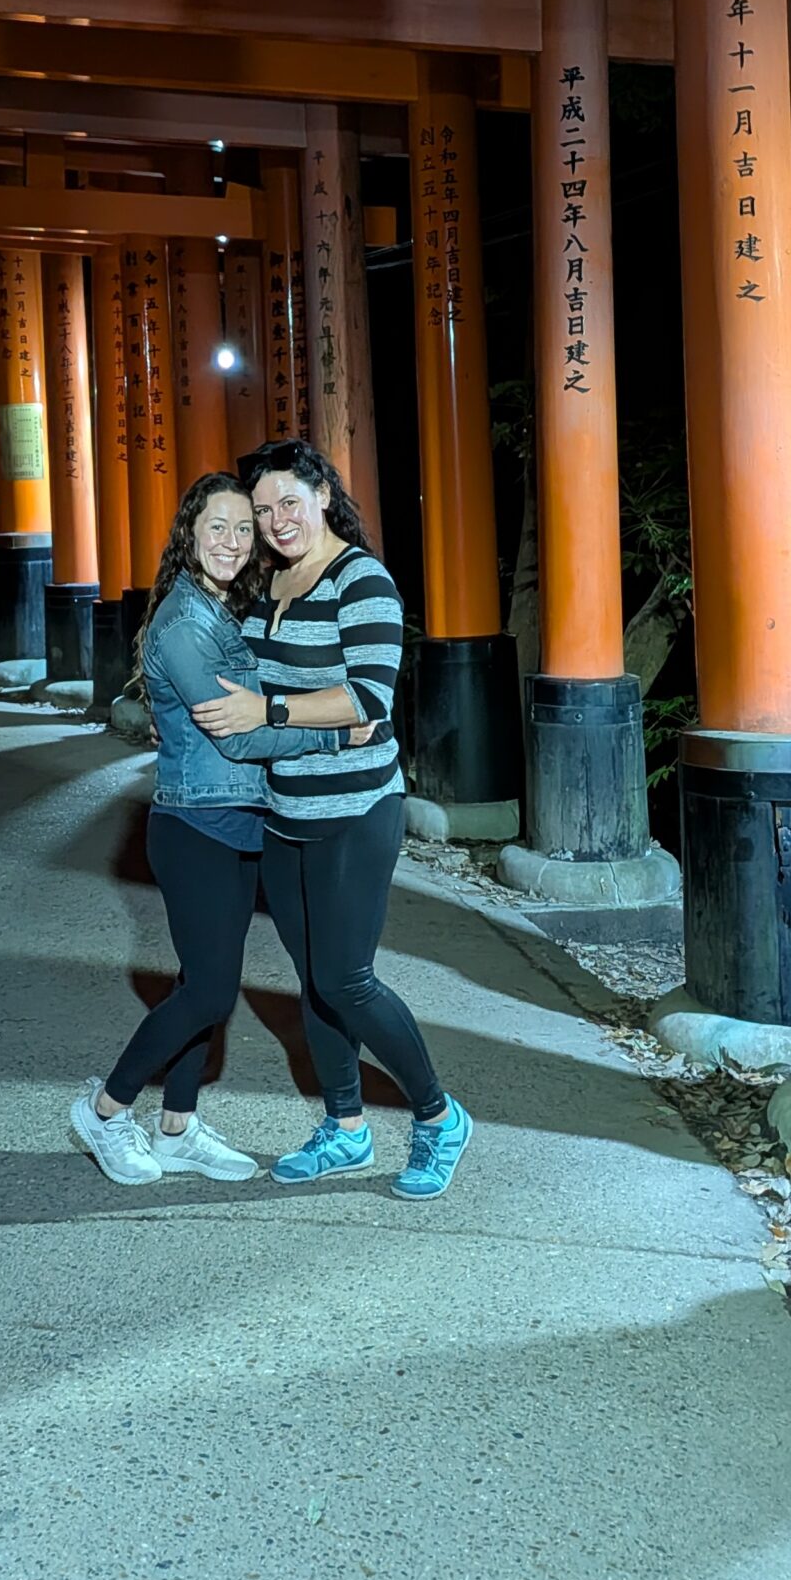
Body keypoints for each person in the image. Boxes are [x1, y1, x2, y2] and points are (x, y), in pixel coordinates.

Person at [192, 439, 473, 1201]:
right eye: (262, 511)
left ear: (322, 493)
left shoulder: (363, 582)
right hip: (285, 811)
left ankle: (438, 1116)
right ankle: (346, 1129)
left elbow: (368, 701)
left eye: (290, 501)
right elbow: (242, 681)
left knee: (348, 979)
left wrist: (270, 711)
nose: (277, 521)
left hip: (356, 810)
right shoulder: (270, 582)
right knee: (314, 983)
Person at [70, 471, 361, 1189]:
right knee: (207, 993)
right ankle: (106, 1111)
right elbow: (237, 737)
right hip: (198, 825)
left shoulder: (229, 609)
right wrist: (333, 737)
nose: (232, 541)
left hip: (239, 824)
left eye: (242, 528)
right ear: (190, 536)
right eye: (217, 528)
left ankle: (177, 1129)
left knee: (210, 982)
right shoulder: (185, 625)